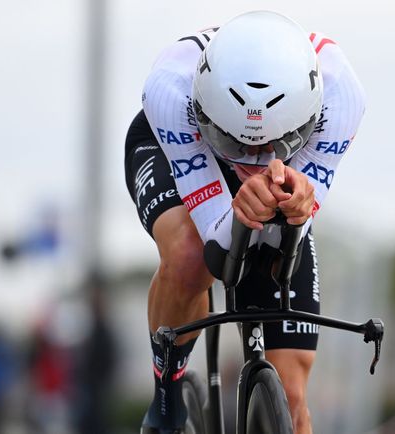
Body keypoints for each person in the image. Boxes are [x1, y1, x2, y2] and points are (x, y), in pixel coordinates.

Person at [125, 10, 365, 434]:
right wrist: (238, 204)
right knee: (188, 256)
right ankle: (166, 397)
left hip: (282, 165)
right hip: (184, 147)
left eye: (269, 146)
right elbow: (219, 252)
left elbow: (285, 238)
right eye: (238, 144)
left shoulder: (342, 96)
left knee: (291, 399)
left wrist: (295, 205)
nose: (251, 159)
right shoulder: (169, 91)